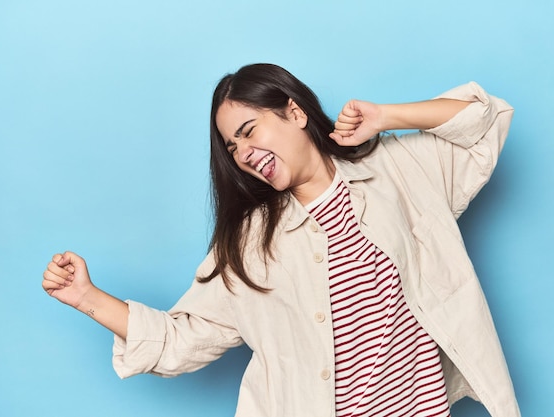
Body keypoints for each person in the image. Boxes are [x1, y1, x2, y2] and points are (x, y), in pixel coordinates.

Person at [42, 63, 519, 417]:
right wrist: (87, 298)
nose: (245, 153)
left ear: (294, 111)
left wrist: (386, 117)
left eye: (249, 131)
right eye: (233, 147)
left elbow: (485, 122)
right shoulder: (249, 244)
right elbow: (180, 339)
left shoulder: (398, 171)